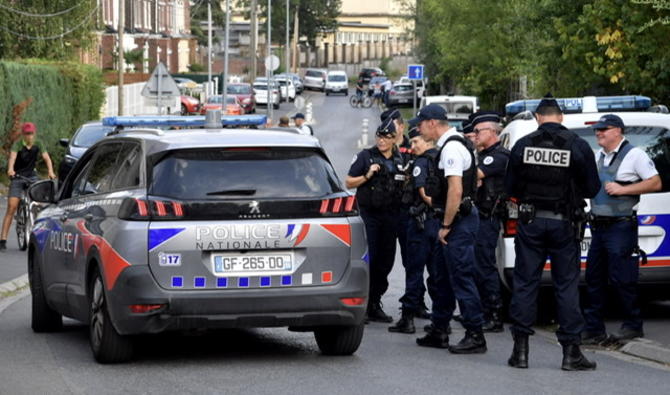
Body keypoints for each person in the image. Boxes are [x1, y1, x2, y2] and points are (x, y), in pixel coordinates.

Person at [504, 94, 600, 371]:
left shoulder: (523, 145)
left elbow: (511, 189)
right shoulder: (577, 146)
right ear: (560, 118)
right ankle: (571, 353)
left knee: (525, 284)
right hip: (564, 224)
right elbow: (592, 188)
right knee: (566, 285)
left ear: (537, 118)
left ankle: (520, 351)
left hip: (531, 223)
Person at [411, 104, 487, 354]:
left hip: (456, 221)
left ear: (433, 123)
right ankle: (439, 329)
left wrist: (446, 225)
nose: (419, 130)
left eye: (421, 124)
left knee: (461, 277)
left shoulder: (452, 147)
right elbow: (475, 177)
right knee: (442, 277)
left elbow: (455, 189)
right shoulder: (456, 144)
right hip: (456, 217)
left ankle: (475, 334)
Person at [582, 114, 662, 344]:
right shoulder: (598, 156)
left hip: (621, 225)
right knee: (594, 278)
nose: (599, 133)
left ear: (617, 130)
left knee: (622, 278)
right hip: (598, 225)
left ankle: (633, 325)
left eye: (603, 129)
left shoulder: (635, 155)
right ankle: (594, 329)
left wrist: (623, 189)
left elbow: (655, 182)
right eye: (597, 130)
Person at [390, 124, 456, 335]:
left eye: (417, 141)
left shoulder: (420, 162)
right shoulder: (441, 158)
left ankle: (408, 318)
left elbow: (424, 192)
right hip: (438, 223)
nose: (412, 145)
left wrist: (436, 206)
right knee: (438, 274)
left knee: (415, 271)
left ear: (428, 142)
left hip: (421, 224)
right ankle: (441, 321)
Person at [346, 117, 405, 322]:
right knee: (369, 260)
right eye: (379, 136)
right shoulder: (365, 157)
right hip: (369, 216)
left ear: (394, 139)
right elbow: (349, 181)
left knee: (385, 262)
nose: (381, 141)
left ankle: (375, 302)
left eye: (386, 137)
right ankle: (363, 305)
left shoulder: (399, 159)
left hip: (390, 217)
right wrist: (367, 176)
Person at [471, 111, 510, 333]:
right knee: (478, 265)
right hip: (480, 217)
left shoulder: (498, 156)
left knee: (484, 266)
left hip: (488, 217)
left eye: (478, 131)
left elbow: (474, 176)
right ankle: (485, 311)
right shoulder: (485, 155)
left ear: (493, 132)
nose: (475, 136)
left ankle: (494, 314)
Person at [1, 122, 56, 251]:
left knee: (38, 203)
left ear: (34, 133)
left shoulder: (39, 143)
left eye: (31, 134)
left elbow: (46, 158)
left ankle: (39, 236)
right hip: (18, 176)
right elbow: (12, 158)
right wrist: (10, 169)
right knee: (12, 206)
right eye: (27, 134)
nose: (29, 136)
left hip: (31, 176)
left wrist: (51, 171)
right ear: (23, 134)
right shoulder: (18, 144)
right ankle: (3, 239)